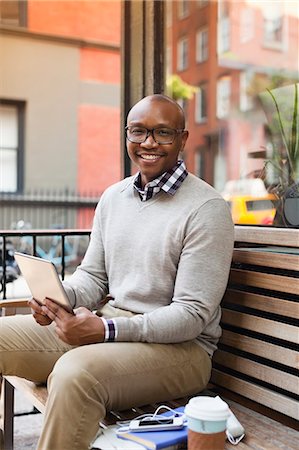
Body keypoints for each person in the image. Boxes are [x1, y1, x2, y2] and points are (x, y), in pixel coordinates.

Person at [0, 94, 234, 450]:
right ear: (127, 136)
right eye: (138, 132)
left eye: (163, 133)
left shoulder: (207, 209)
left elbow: (191, 316)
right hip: (116, 334)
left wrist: (105, 329)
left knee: (75, 374)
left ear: (183, 139)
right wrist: (57, 300)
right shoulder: (113, 198)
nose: (149, 143)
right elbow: (93, 277)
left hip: (183, 352)